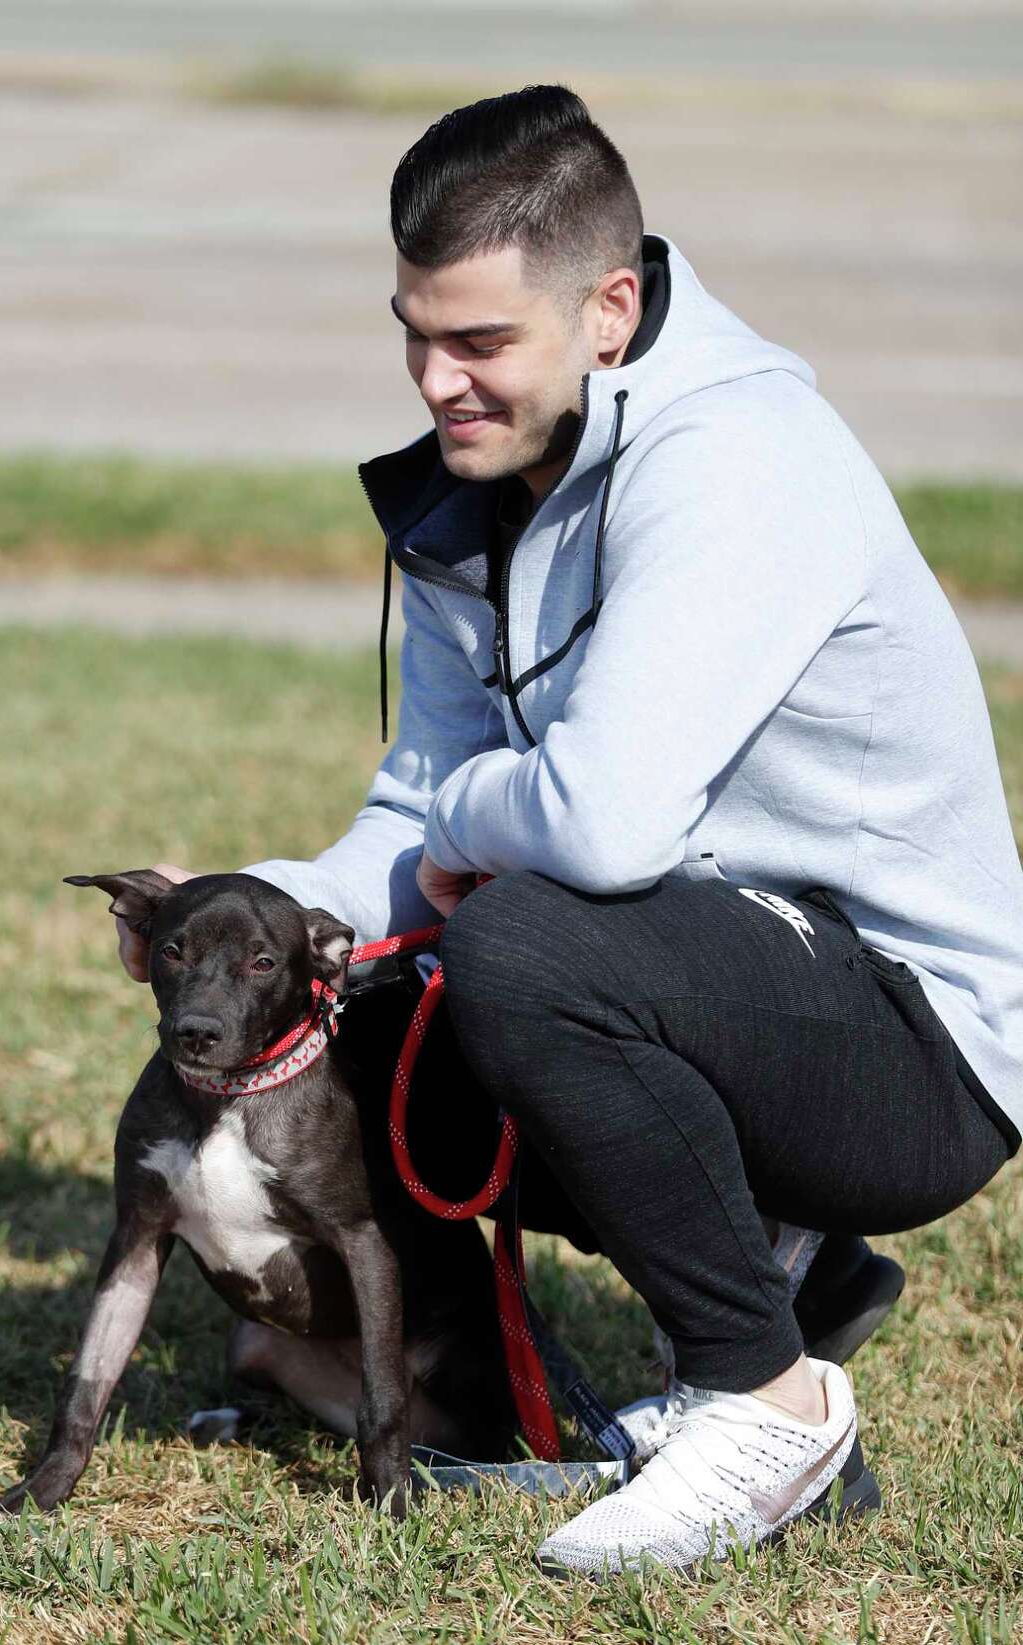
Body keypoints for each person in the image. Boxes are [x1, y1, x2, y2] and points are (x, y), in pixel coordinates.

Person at [116, 87, 1022, 1576]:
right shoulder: (480, 488)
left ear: (610, 310)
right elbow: (417, 813)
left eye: (480, 342)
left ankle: (769, 1396)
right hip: (726, 978)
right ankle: (780, 1270)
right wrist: (245, 916)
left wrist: (472, 821)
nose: (434, 380)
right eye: (413, 330)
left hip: (918, 1045)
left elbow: (594, 828)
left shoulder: (739, 458)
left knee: (520, 941)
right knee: (353, 1014)